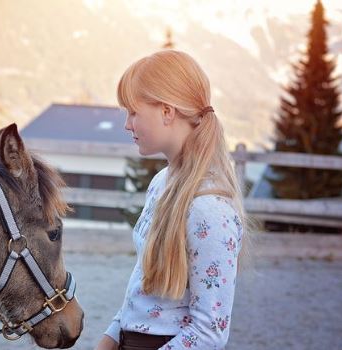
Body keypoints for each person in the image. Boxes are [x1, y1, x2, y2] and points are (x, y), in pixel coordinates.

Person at [95, 50, 250, 350]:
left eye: (133, 112)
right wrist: (110, 338)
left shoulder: (210, 208)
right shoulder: (161, 183)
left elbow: (210, 331)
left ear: (167, 112)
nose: (127, 124)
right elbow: (143, 285)